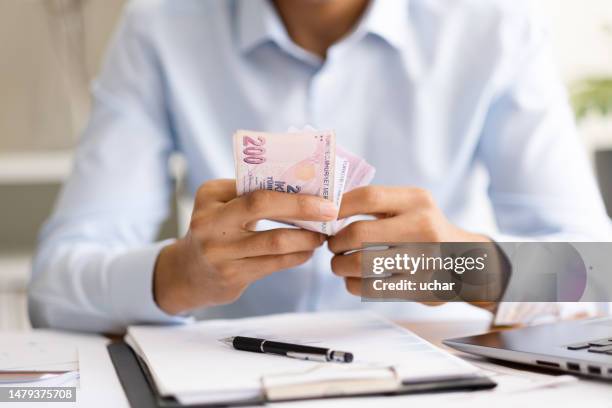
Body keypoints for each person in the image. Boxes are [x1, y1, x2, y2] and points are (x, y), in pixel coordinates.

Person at [29, 0, 611, 333]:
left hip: (439, 377)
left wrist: (467, 269)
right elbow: (55, 283)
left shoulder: (496, 27)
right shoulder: (160, 27)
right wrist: (175, 278)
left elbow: (599, 273)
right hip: (226, 375)